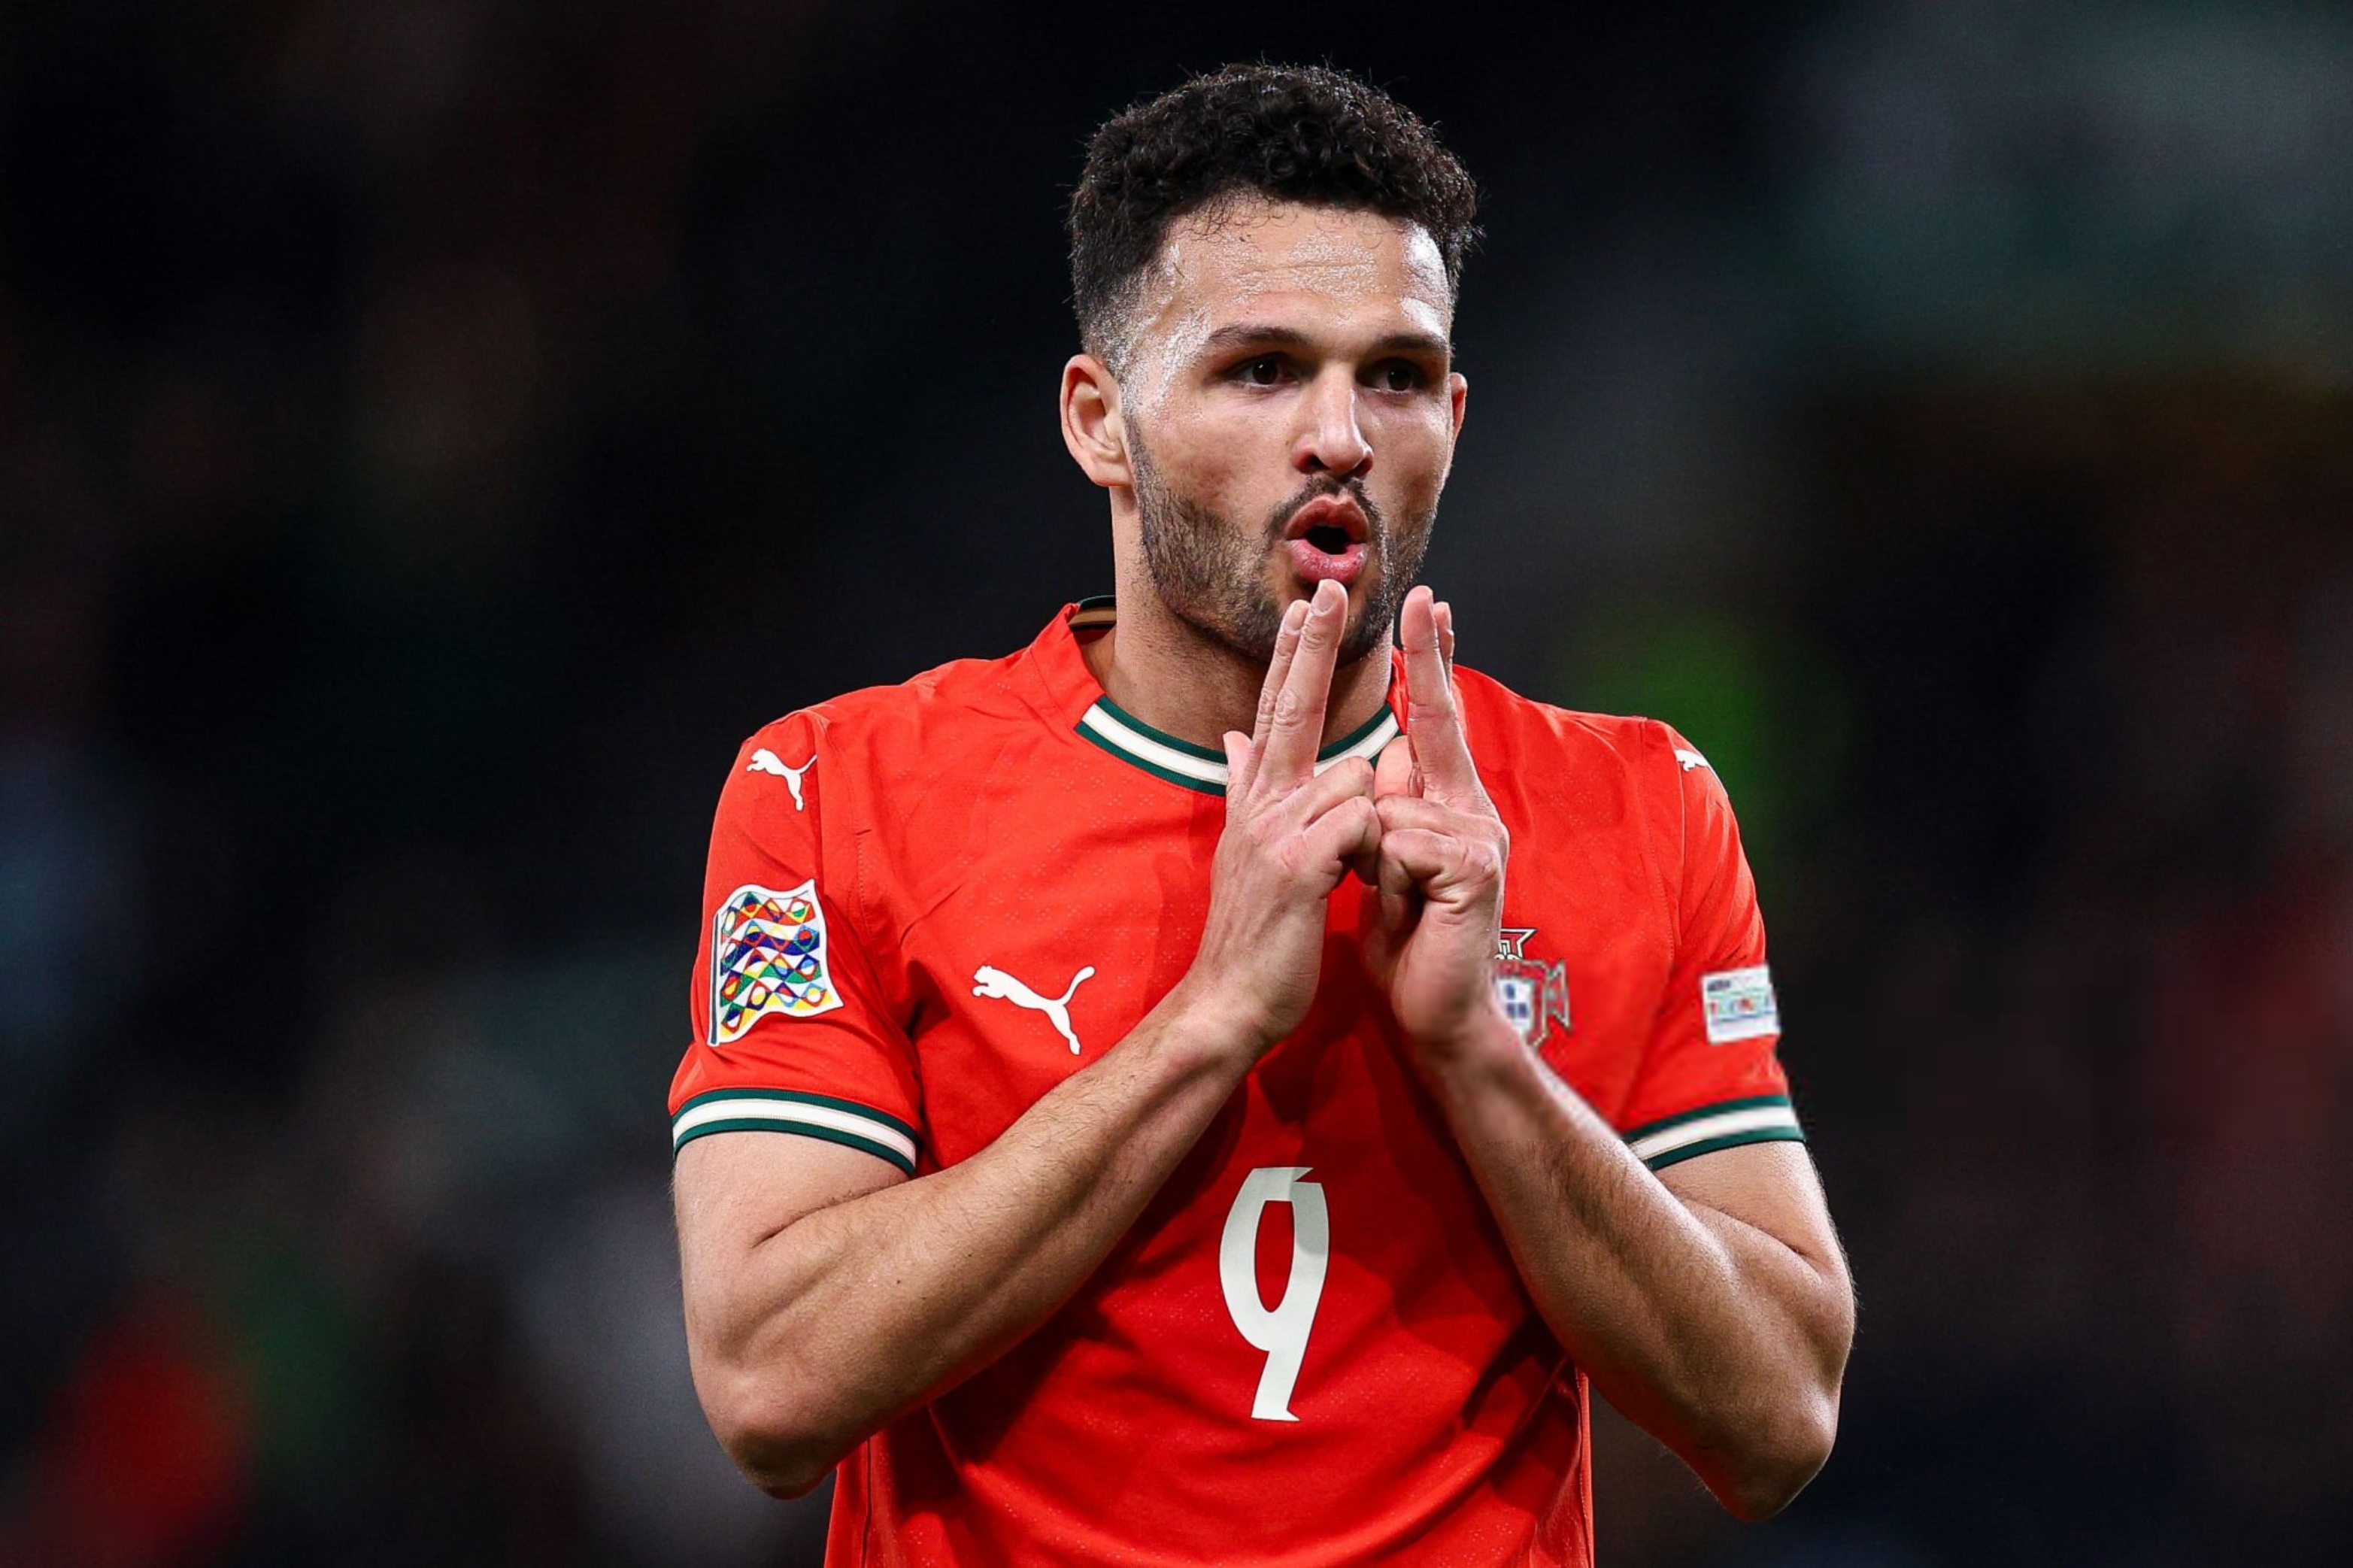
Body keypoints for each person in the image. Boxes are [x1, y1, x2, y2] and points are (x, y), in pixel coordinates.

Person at [669, 62, 1853, 1566]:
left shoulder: (1638, 805)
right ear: (1100, 422)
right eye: (1262, 369)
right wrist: (1209, 1020)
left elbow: (1777, 1415)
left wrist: (1478, 1055)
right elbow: (769, 1383)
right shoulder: (836, 789)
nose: (1339, 432)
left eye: (1396, 375)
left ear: (1454, 416)